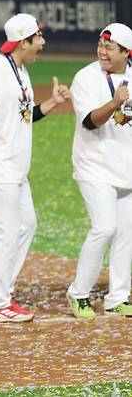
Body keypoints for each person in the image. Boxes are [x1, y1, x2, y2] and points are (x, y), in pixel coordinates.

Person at [0, 13, 70, 322]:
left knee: (27, 225)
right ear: (23, 42)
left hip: (15, 169)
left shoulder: (20, 70)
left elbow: (24, 114)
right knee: (7, 231)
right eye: (38, 38)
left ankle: (3, 292)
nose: (42, 43)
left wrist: (51, 103)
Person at [67, 22, 132, 318]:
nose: (102, 52)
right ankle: (79, 293)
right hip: (94, 165)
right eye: (100, 46)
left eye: (109, 47)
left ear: (126, 52)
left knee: (125, 233)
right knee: (105, 227)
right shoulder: (86, 78)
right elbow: (90, 121)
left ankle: (117, 297)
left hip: (126, 166)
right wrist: (115, 101)